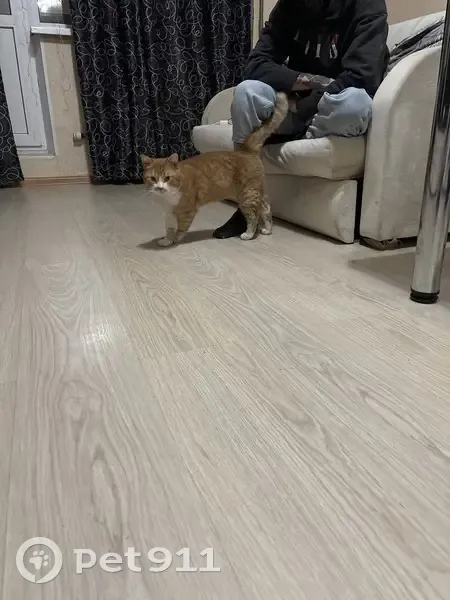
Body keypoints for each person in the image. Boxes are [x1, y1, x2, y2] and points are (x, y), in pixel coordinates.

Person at [213, 0, 389, 239]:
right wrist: (307, 84)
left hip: (329, 111)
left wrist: (305, 105)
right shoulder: (289, 6)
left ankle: (302, 133)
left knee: (355, 102)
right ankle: (247, 203)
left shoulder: (366, 5)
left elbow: (363, 76)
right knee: (247, 92)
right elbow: (255, 65)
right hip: (294, 106)